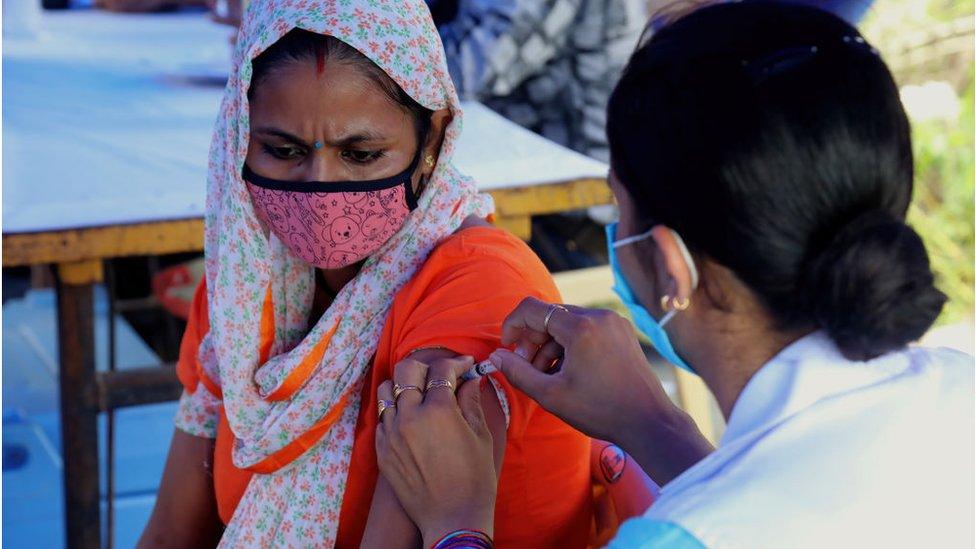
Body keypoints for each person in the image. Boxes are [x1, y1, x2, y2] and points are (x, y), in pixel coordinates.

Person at [372, 2, 975, 548]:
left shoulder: (683, 537)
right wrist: (656, 427)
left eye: (617, 203)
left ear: (670, 266)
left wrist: (457, 522)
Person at [138, 1, 595, 547]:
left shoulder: (480, 291)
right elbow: (171, 532)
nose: (320, 187)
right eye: (282, 151)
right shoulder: (244, 287)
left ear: (432, 139)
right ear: (239, 138)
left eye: (361, 154)